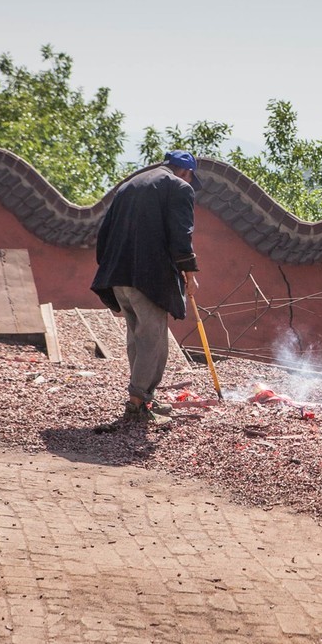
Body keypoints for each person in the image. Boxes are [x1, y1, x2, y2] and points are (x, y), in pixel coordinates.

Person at [90, 150, 203, 432]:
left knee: (137, 338)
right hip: (148, 278)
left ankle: (144, 398)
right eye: (190, 177)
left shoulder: (130, 185)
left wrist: (108, 270)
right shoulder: (179, 188)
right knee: (152, 340)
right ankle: (136, 405)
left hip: (118, 275)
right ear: (186, 172)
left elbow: (104, 233)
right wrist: (190, 274)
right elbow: (181, 235)